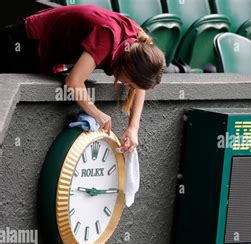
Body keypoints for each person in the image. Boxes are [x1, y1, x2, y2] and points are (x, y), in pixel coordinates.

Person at [0, 5, 166, 153]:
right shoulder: (107, 36)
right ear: (127, 68)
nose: (127, 86)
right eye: (129, 83)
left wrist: (133, 128)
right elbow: (73, 82)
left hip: (51, 54)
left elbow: (139, 88)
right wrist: (97, 114)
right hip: (23, 42)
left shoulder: (139, 44)